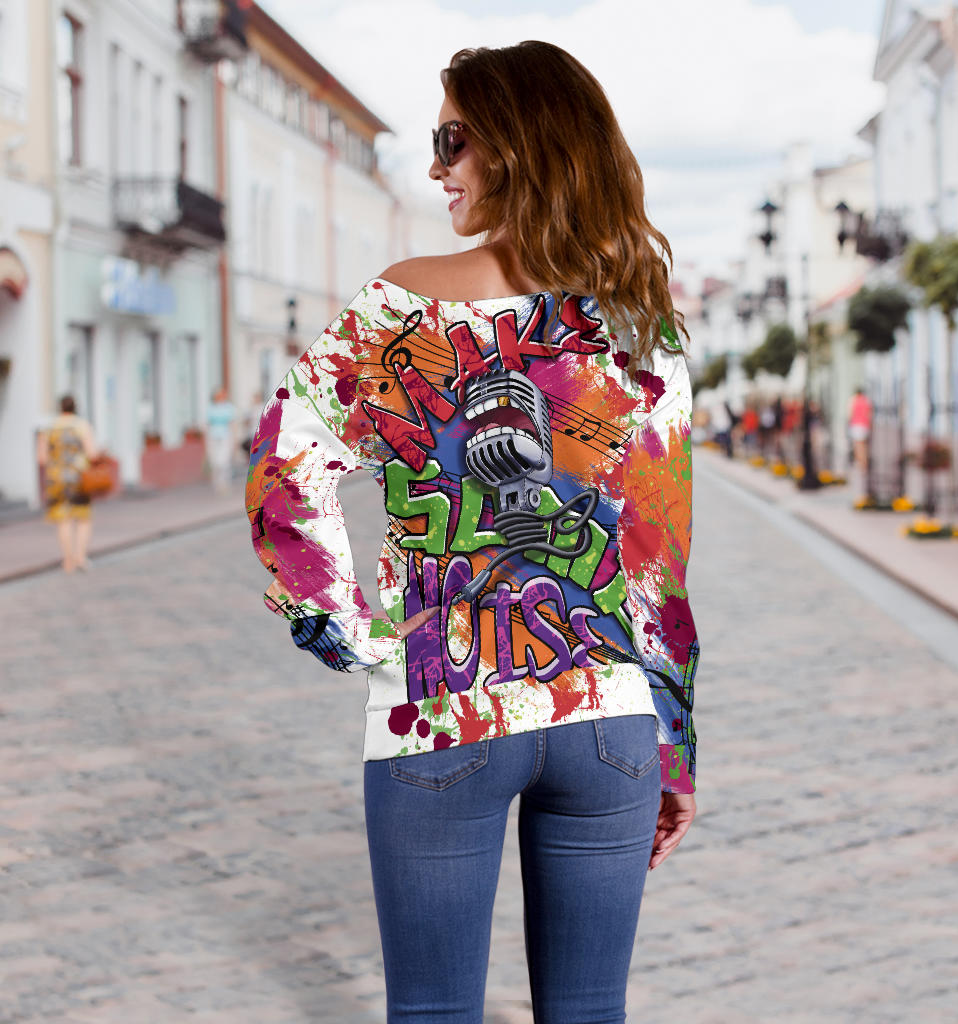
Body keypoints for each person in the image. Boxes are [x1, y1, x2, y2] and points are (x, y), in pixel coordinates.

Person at [247, 41, 699, 1022]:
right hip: (609, 719)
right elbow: (658, 555)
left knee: (432, 1012)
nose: (433, 167)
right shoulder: (640, 323)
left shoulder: (403, 304)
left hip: (442, 706)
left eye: (451, 140)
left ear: (513, 145)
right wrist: (674, 743)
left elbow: (283, 473)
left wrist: (359, 639)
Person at [37, 395, 97, 573]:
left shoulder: (49, 427)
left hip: (56, 478)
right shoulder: (81, 425)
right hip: (79, 478)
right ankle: (80, 557)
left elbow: (42, 458)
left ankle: (68, 560)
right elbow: (92, 454)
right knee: (83, 518)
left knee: (63, 520)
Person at [206, 387, 238, 493]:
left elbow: (233, 424)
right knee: (214, 462)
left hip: (226, 436)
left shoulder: (229, 407)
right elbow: (207, 425)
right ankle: (216, 483)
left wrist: (235, 440)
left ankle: (224, 483)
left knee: (224, 461)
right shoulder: (211, 408)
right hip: (213, 437)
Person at [848, 387, 872, 480]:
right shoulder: (867, 401)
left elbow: (850, 414)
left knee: (858, 446)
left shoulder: (853, 400)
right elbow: (869, 414)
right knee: (864, 446)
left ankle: (862, 465)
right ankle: (864, 464)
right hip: (865, 425)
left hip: (856, 425)